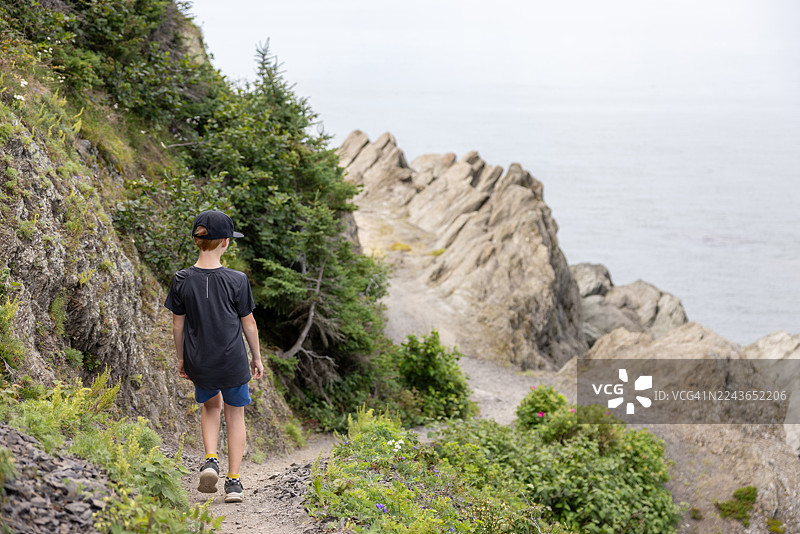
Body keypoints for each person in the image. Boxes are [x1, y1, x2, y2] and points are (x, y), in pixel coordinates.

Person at [164, 209, 264, 503]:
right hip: (232, 360)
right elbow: (249, 323)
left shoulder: (181, 279)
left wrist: (181, 359)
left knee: (211, 408)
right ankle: (233, 483)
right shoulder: (237, 280)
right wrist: (256, 357)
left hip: (199, 360)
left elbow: (177, 324)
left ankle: (210, 460)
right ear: (225, 243)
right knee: (235, 415)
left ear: (198, 241)